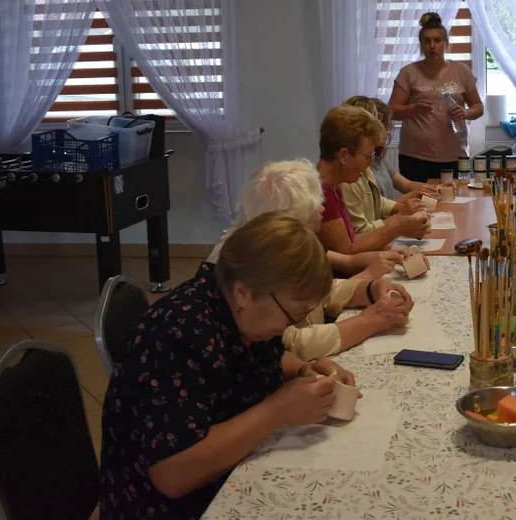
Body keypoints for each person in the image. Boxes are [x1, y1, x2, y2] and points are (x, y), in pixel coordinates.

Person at [100, 212, 353, 519]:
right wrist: (278, 410)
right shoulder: (177, 336)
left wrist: (302, 370)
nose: (297, 324)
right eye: (293, 314)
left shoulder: (239, 312)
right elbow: (172, 474)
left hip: (229, 478)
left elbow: (260, 358)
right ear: (243, 292)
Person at [212, 159, 417, 360]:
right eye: (314, 206)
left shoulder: (279, 241)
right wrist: (371, 320)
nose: (321, 210)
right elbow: (291, 343)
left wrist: (371, 289)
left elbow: (318, 291)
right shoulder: (248, 259)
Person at [316, 105, 430, 254]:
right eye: (368, 157)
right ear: (344, 156)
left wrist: (393, 248)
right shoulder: (322, 192)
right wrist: (397, 227)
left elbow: (352, 240)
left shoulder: (334, 185)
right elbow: (347, 250)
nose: (370, 164)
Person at [388, 11, 484, 183]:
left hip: (454, 155)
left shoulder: (461, 71)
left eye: (437, 41)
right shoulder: (409, 72)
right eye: (427, 41)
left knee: (455, 205)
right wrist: (414, 109)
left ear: (446, 44)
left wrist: (465, 113)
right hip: (415, 157)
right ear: (421, 45)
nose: (432, 46)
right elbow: (392, 111)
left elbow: (478, 107)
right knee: (420, 205)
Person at [340, 96, 433, 234]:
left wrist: (403, 209)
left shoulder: (369, 161)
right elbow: (359, 232)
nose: (386, 131)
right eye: (379, 123)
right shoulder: (349, 171)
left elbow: (378, 203)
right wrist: (399, 220)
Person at [344, 96, 440, 202]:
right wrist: (414, 195)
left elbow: (407, 185)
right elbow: (377, 211)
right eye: (384, 126)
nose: (388, 132)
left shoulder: (378, 157)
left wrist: (438, 189)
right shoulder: (354, 166)